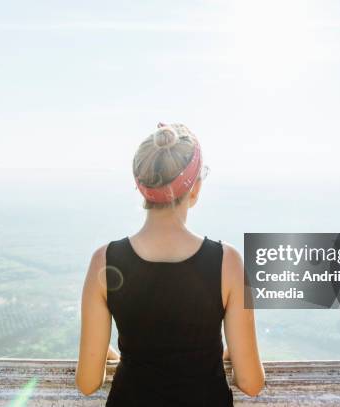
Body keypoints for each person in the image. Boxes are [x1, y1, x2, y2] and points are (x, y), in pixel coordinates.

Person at [75, 123, 265, 406]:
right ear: (195, 188)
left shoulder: (104, 261)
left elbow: (88, 382)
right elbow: (251, 383)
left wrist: (110, 353)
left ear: (141, 187)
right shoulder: (228, 263)